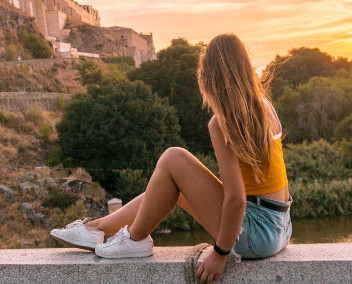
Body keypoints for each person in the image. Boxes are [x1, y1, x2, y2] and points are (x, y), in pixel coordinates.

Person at [50, 34, 292, 283]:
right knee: (168, 186)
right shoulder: (265, 108)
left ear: (209, 77)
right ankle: (97, 229)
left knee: (172, 157)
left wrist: (220, 253)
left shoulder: (222, 123)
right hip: (280, 227)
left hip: (256, 234)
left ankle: (134, 239)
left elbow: (236, 200)